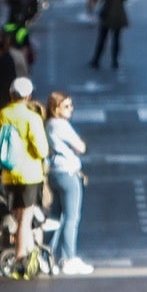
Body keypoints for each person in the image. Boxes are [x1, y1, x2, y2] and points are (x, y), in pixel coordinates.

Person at [0, 77, 49, 278]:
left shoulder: (1, 115)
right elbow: (42, 149)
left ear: (11, 94)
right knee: (26, 217)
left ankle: (31, 254)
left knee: (19, 215)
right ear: (28, 96)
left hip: (8, 175)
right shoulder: (32, 117)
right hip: (30, 175)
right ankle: (22, 258)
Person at [45, 92, 90, 274]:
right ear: (55, 109)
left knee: (55, 217)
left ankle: (46, 255)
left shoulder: (48, 124)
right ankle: (68, 258)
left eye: (71, 105)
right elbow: (81, 147)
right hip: (68, 173)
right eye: (66, 106)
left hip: (54, 173)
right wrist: (77, 145)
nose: (71, 109)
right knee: (72, 217)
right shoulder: (61, 125)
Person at [89, 0, 128, 71]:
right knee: (116, 40)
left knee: (102, 39)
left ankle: (96, 60)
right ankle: (114, 61)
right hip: (118, 16)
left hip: (106, 16)